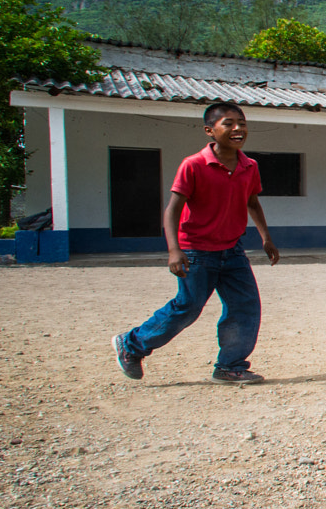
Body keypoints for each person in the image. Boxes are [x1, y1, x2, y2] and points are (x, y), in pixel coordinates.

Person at [112, 102, 281, 384]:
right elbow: (173, 210)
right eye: (228, 123)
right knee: (187, 307)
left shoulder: (250, 166)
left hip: (232, 250)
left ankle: (230, 366)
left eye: (242, 122)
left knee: (245, 306)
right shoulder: (193, 165)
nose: (238, 128)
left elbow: (252, 202)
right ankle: (131, 345)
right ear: (210, 131)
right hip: (197, 251)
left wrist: (266, 238)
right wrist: (174, 250)